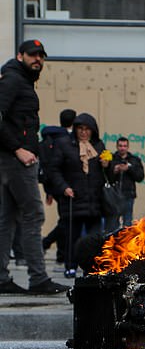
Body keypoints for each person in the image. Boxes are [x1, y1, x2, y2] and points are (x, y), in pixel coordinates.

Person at [0, 40, 67, 294]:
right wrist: (18, 148)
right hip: (16, 161)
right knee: (33, 215)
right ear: (20, 56)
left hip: (10, 160)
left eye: (41, 56)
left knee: (6, 219)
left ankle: (1, 277)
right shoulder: (13, 80)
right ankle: (38, 278)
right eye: (32, 55)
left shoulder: (19, 79)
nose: (37, 59)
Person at [44, 113, 110, 278]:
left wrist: (107, 165)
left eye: (87, 129)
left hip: (94, 202)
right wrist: (63, 187)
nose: (84, 132)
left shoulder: (99, 146)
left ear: (93, 131)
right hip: (73, 200)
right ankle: (71, 266)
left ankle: (92, 268)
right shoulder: (64, 144)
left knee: (94, 238)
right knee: (72, 237)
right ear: (75, 129)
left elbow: (107, 174)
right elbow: (54, 170)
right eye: (80, 129)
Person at [40, 108, 75, 264]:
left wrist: (49, 190)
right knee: (66, 221)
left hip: (54, 186)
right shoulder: (67, 139)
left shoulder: (49, 139)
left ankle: (61, 254)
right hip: (66, 186)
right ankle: (46, 242)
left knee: (65, 219)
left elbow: (48, 167)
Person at [105, 136, 145, 230]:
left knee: (127, 223)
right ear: (117, 146)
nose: (122, 148)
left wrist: (129, 169)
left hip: (128, 195)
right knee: (112, 222)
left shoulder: (134, 160)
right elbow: (106, 177)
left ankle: (126, 243)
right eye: (120, 146)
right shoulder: (111, 159)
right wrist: (114, 170)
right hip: (113, 196)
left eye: (124, 146)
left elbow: (140, 177)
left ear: (128, 147)